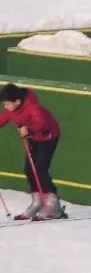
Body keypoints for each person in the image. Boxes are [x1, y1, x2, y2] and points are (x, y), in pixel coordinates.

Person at [0, 84, 65, 220]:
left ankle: (53, 205)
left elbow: (41, 124)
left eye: (7, 104)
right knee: (29, 169)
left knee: (40, 168)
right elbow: (3, 119)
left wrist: (29, 130)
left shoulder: (33, 107)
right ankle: (38, 202)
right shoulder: (12, 110)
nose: (5, 107)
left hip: (48, 136)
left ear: (17, 102)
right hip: (32, 137)